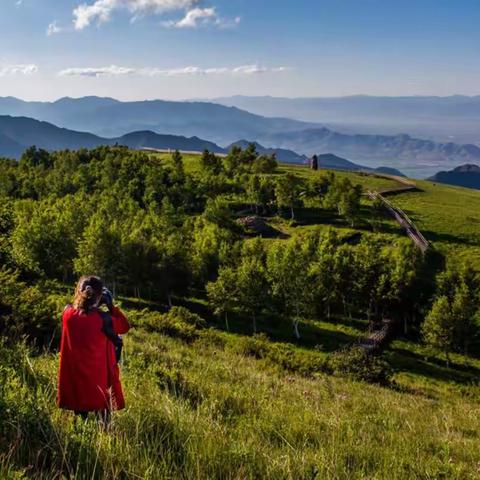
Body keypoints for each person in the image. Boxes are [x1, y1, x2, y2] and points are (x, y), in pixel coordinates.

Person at [58, 275, 130, 424]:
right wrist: (111, 306)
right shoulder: (103, 319)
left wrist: (88, 301)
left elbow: (77, 308)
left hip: (76, 379)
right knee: (103, 420)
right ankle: (106, 441)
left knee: (79, 421)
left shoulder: (67, 313)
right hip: (98, 380)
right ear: (100, 296)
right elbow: (124, 326)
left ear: (78, 291)